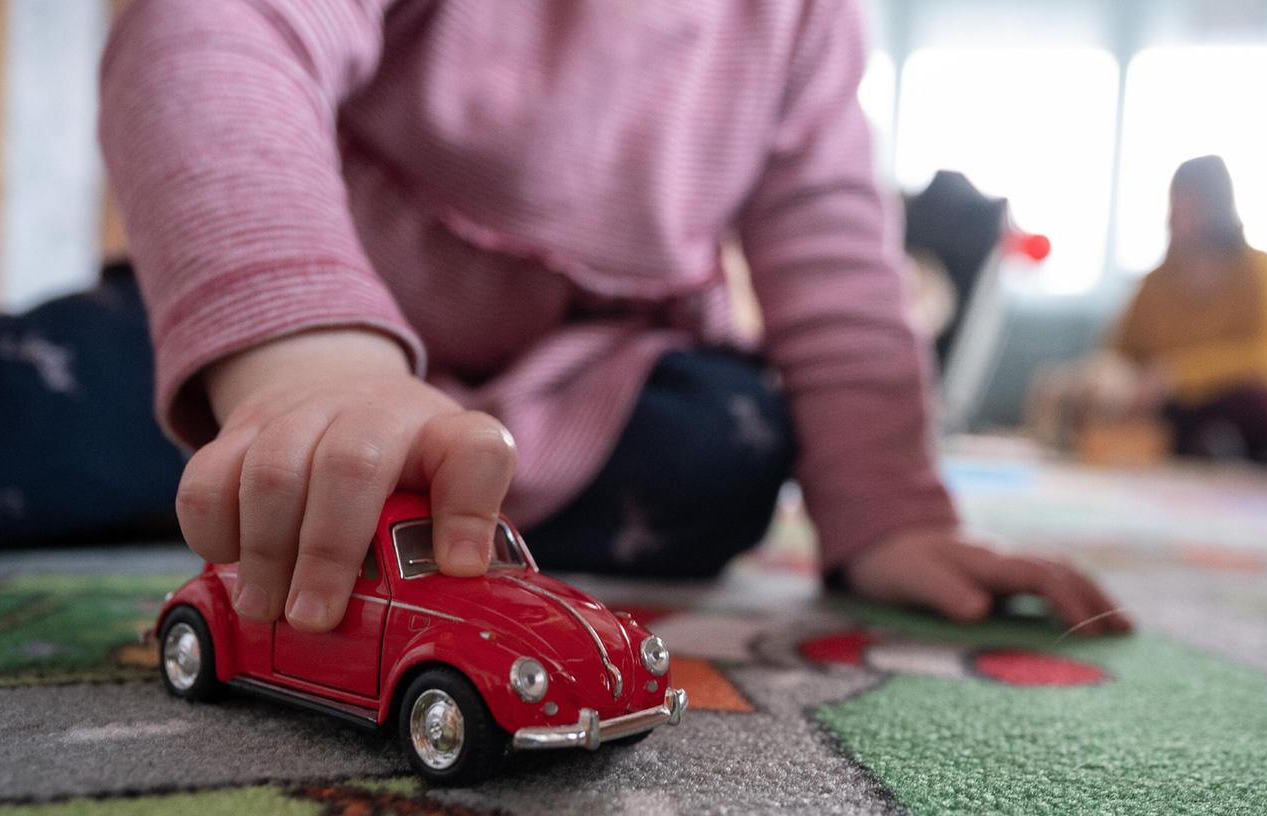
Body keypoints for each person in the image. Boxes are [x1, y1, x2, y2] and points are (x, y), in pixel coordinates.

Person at [98, 1, 1129, 637]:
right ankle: (272, 465)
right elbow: (218, 32)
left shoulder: (803, 19)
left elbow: (834, 255)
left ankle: (327, 497)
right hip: (300, 339)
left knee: (728, 444)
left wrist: (891, 513)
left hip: (584, 379)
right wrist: (305, 366)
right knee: (81, 375)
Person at [1108, 156, 1267, 463]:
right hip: (1189, 409)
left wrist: (1177, 374)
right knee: (1173, 413)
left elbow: (1264, 355)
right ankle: (1217, 445)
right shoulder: (1155, 284)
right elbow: (1120, 355)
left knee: (1251, 403)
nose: (1180, 214)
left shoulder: (1260, 271)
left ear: (1216, 207)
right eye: (1176, 202)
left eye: (1191, 203)